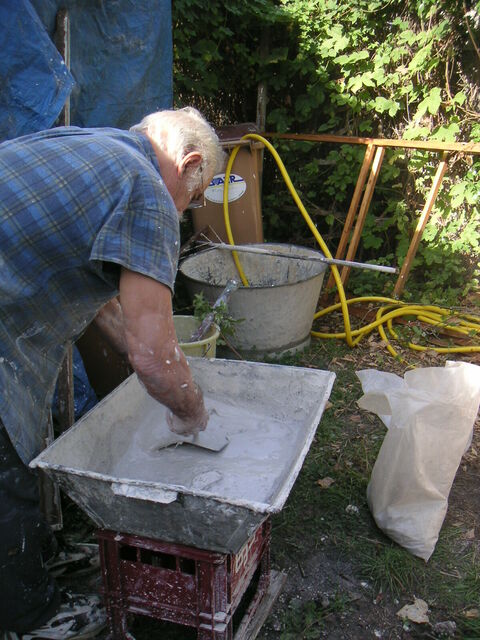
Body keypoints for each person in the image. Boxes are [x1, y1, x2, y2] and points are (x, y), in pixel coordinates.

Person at [0, 107, 225, 638]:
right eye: (195, 198)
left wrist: (149, 359)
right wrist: (192, 411)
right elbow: (153, 355)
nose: (188, 210)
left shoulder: (99, 147)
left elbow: (103, 307)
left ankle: (32, 565)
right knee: (5, 471)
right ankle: (32, 618)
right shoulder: (148, 193)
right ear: (188, 164)